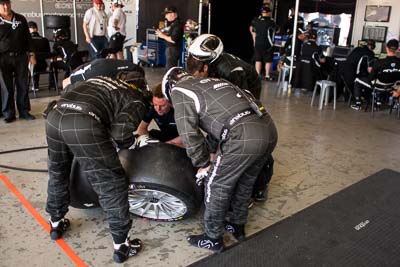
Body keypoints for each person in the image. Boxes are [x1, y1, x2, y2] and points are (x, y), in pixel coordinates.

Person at [162, 67, 277, 251]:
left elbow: (189, 134)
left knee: (216, 185)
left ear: (169, 87)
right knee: (245, 181)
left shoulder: (179, 90)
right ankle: (237, 225)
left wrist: (203, 163)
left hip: (243, 135)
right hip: (268, 128)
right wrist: (213, 150)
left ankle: (212, 237)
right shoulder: (215, 82)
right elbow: (219, 122)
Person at [45, 75, 149, 263]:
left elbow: (67, 91)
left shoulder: (98, 80)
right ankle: (122, 246)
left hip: (55, 116)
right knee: (111, 183)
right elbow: (120, 133)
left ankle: (55, 224)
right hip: (84, 123)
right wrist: (132, 142)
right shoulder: (136, 98)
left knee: (58, 172)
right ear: (142, 88)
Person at [187, 34, 262, 100]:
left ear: (205, 68)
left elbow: (242, 99)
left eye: (198, 77)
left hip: (249, 84)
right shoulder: (202, 60)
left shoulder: (231, 71)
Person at [0, 0, 35, 122]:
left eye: (7, 3)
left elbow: (28, 38)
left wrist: (31, 54)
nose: (5, 6)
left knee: (23, 84)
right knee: (6, 87)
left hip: (20, 57)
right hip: (3, 58)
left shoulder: (20, 18)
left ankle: (24, 111)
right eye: (2, 4)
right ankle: (9, 113)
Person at [351, 39, 400, 110]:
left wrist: (370, 72)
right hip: (391, 86)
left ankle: (358, 103)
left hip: (377, 85)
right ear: (397, 49)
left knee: (357, 80)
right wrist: (398, 92)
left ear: (386, 48)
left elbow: (371, 77)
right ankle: (378, 102)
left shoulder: (379, 62)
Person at [62, 58, 146, 91]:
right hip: (96, 68)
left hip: (110, 69)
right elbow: (65, 82)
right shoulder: (95, 73)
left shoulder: (138, 70)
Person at [249, 5, 277, 81]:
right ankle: (267, 75)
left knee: (258, 59)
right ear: (268, 13)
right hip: (267, 44)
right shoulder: (271, 21)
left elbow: (251, 29)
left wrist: (254, 38)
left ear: (262, 12)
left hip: (257, 43)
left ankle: (257, 75)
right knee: (268, 60)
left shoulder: (256, 20)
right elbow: (277, 30)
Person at [28, 21, 52, 91]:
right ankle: (37, 85)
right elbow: (48, 54)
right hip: (44, 66)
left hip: (32, 67)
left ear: (28, 29)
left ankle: (28, 86)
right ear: (37, 29)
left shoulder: (28, 40)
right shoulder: (45, 40)